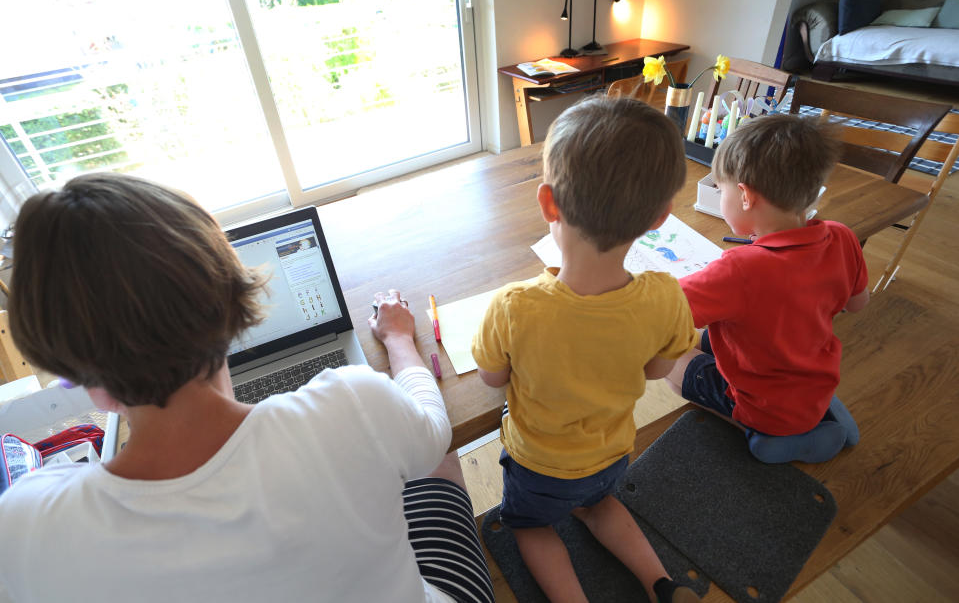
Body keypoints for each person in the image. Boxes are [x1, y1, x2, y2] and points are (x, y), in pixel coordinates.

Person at [0, 174, 493, 603]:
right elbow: (433, 428)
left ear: (80, 376)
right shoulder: (354, 404)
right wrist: (400, 341)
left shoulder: (27, 525)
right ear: (227, 298)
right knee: (433, 463)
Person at [472, 97, 701, 603]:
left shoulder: (515, 306)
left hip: (539, 466)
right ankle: (661, 584)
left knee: (530, 527)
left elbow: (491, 379)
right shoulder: (665, 296)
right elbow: (659, 368)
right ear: (661, 217)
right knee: (599, 506)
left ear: (548, 203)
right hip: (611, 453)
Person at [666, 114, 869, 464]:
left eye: (720, 187)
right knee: (713, 339)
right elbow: (857, 304)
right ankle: (818, 417)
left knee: (671, 362)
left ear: (744, 195)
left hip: (762, 406)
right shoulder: (841, 235)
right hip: (814, 380)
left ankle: (766, 435)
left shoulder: (740, 269)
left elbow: (662, 311)